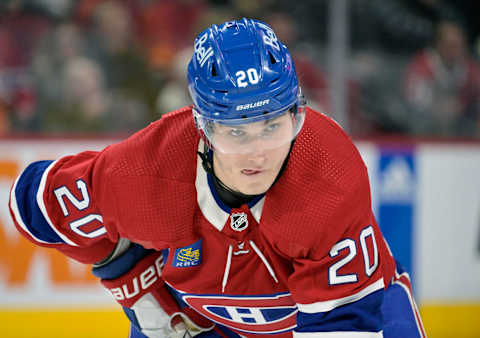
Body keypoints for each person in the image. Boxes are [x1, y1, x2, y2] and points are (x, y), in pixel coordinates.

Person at [8, 18, 426, 337]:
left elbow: (343, 324)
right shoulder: (147, 172)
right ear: (203, 127)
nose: (257, 151)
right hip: (203, 320)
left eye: (272, 125)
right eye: (236, 130)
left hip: (357, 310)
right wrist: (132, 280)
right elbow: (32, 205)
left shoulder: (326, 177)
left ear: (298, 113)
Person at [403, 20, 480, 137]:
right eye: (451, 45)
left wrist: (462, 104)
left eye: (459, 45)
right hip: (426, 123)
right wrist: (438, 106)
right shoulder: (422, 65)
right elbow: (414, 99)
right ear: (438, 45)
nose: (455, 51)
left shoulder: (470, 67)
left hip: (462, 122)